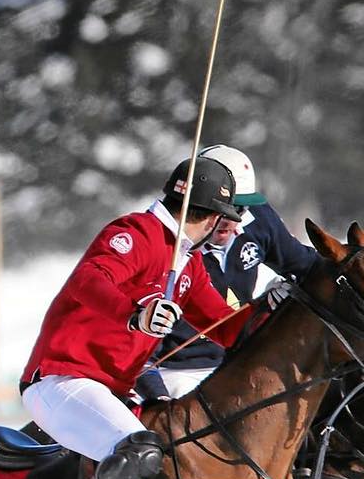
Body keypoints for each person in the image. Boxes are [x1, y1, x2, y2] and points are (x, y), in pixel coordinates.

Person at [14, 157, 254, 479]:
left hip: (108, 392)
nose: (225, 227)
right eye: (224, 218)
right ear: (211, 216)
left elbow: (227, 326)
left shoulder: (188, 264)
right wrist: (135, 312)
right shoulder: (136, 232)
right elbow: (90, 281)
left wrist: (279, 312)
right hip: (61, 379)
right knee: (138, 450)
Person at [135, 145, 317, 400]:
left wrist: (271, 306)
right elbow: (137, 352)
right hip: (172, 370)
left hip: (239, 359)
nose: (232, 219)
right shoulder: (162, 244)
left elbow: (308, 266)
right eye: (222, 208)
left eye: (240, 209)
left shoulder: (258, 219)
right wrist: (158, 399)